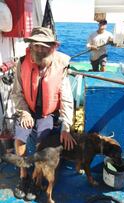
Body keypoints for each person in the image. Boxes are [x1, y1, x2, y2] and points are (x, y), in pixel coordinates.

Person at [11, 27, 76, 200]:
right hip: (28, 110)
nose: (40, 49)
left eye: (44, 46)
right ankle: (24, 176)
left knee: (42, 142)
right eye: (36, 45)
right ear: (31, 46)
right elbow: (16, 93)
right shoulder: (22, 62)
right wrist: (24, 113)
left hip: (48, 114)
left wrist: (66, 126)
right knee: (20, 137)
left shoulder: (61, 66)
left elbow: (67, 98)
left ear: (52, 47)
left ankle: (35, 179)